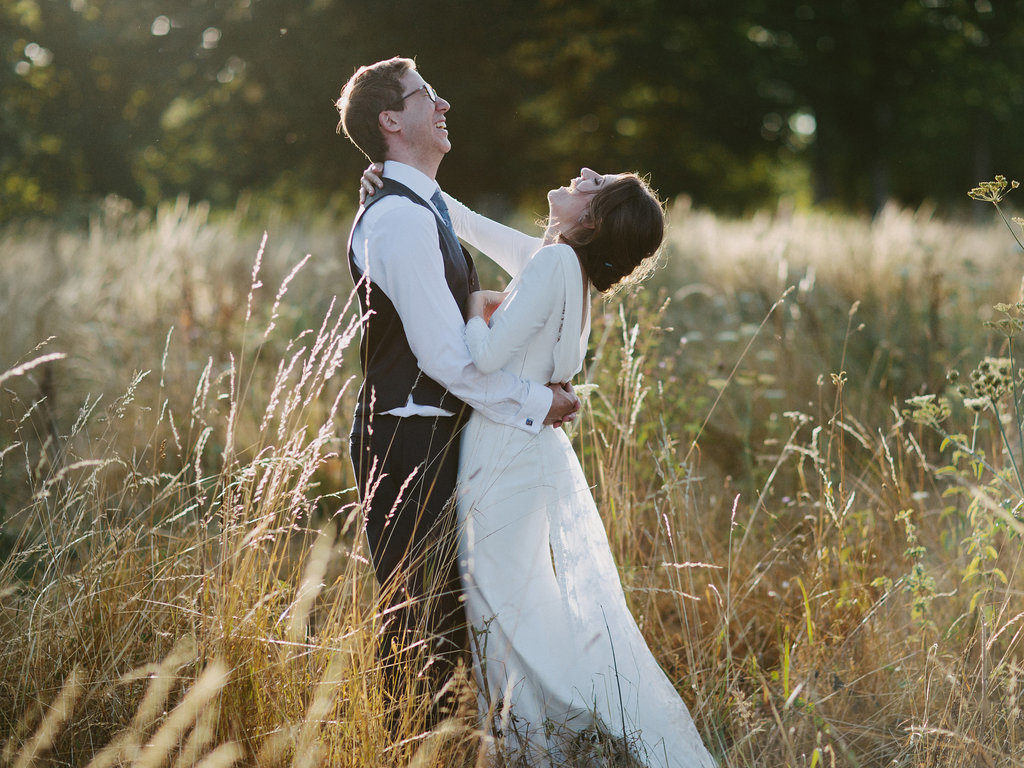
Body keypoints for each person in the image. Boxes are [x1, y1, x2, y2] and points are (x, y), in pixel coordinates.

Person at [360, 164, 718, 766]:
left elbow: (485, 356)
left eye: (596, 183)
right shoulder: (563, 266)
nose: (583, 173)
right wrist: (397, 180)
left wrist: (477, 305)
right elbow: (469, 224)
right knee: (515, 596)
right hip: (524, 451)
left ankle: (558, 733)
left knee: (501, 602)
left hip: (500, 451)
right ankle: (546, 736)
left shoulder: (552, 265)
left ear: (594, 218)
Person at [335, 57, 580, 734]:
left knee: (450, 613)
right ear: (391, 121)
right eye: (425, 96)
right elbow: (443, 356)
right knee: (416, 619)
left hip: (440, 435)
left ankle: (450, 742)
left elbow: (523, 254)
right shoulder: (398, 220)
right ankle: (411, 747)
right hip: (406, 437)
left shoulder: (420, 205)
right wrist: (535, 401)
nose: (443, 104)